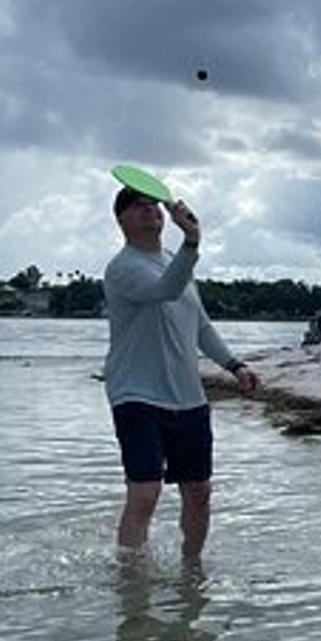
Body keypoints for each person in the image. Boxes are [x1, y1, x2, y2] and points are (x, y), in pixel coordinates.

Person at [103, 182, 258, 560]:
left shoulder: (177, 261)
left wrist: (234, 366)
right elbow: (163, 291)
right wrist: (193, 242)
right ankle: (132, 588)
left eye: (154, 205)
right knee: (144, 493)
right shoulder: (123, 268)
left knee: (199, 493)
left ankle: (192, 573)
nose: (150, 211)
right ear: (120, 219)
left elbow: (201, 326)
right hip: (135, 393)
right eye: (138, 207)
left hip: (188, 398)